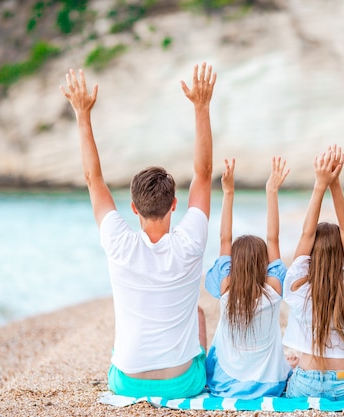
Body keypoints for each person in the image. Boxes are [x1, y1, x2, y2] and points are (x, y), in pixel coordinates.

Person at [60, 63, 217, 399]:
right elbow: (203, 175)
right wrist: (201, 107)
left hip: (125, 382)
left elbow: (93, 180)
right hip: (183, 384)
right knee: (199, 314)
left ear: (133, 208)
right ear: (175, 204)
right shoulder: (191, 241)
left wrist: (82, 115)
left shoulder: (118, 242)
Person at [283, 145, 344, 401]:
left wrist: (320, 184)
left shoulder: (297, 287)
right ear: (342, 255)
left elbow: (306, 234)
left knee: (289, 374)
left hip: (306, 384)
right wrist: (335, 184)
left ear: (310, 257)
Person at [204, 156, 292, 399]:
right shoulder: (273, 290)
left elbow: (224, 238)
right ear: (264, 264)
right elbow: (273, 238)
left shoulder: (226, 288)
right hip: (269, 385)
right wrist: (271, 191)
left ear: (233, 265)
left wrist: (228, 192)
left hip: (225, 384)